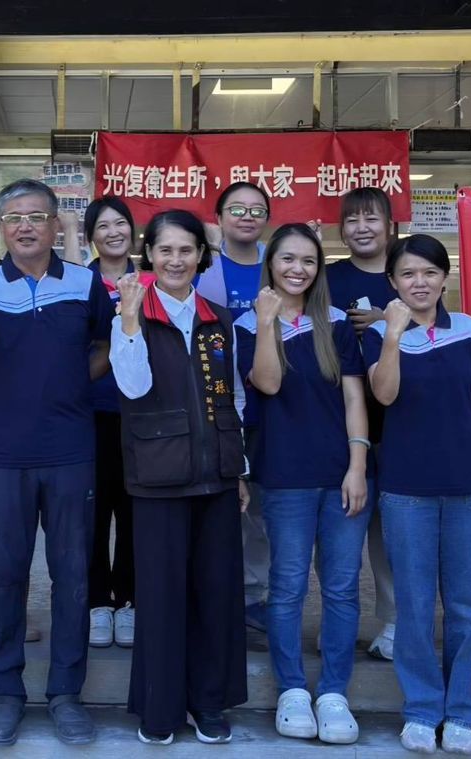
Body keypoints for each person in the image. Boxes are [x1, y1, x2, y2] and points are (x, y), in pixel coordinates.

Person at [0, 179, 115, 747]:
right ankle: (5, 693)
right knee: (8, 575)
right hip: (4, 455)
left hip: (71, 452)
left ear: (54, 224)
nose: (24, 226)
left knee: (72, 576)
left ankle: (66, 694)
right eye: (13, 217)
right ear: (0, 227)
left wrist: (72, 384)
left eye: (36, 216)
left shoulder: (84, 282)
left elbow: (107, 343)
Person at [361, 234, 471, 755]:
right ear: (392, 282)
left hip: (469, 487)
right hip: (406, 490)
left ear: (445, 278)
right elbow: (384, 394)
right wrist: (392, 334)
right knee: (414, 604)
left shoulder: (469, 329)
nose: (419, 282)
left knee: (466, 607)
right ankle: (422, 710)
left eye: (429, 272)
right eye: (408, 274)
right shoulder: (379, 333)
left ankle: (461, 711)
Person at [109, 210, 248, 745]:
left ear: (201, 256)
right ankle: (160, 707)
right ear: (149, 255)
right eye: (165, 250)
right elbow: (132, 386)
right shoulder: (133, 312)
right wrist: (128, 320)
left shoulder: (218, 318)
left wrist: (239, 468)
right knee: (162, 597)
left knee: (216, 594)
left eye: (186, 250)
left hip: (217, 475)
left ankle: (208, 703)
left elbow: (233, 397)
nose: (175, 260)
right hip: (158, 475)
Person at [236, 223, 369, 745]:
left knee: (341, 587)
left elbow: (354, 398)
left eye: (309, 261)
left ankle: (334, 691)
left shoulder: (335, 324)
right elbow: (267, 383)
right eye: (287, 259)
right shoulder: (247, 324)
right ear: (270, 264)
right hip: (284, 476)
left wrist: (357, 465)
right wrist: (267, 320)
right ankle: (292, 688)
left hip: (341, 475)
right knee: (288, 586)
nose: (298, 269)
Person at [325, 186, 401, 660]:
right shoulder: (327, 277)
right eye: (352, 220)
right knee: (343, 529)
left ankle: (394, 622)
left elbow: (438, 329)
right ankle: (339, 623)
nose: (362, 228)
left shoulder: (408, 271)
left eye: (371, 219)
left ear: (390, 225)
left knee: (392, 532)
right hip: (340, 419)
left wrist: (387, 323)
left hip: (402, 421)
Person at [196, 181, 274, 634]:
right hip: (214, 403)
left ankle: (252, 597)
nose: (247, 217)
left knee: (258, 512)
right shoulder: (203, 264)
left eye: (257, 210)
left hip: (271, 405)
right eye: (237, 209)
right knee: (217, 507)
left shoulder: (279, 262)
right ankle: (212, 598)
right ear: (220, 217)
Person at [83, 196, 138, 649]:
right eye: (103, 226)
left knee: (135, 511)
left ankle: (130, 600)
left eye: (120, 223)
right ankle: (98, 602)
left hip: (140, 416)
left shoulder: (151, 281)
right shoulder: (79, 283)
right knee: (94, 514)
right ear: (91, 237)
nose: (113, 232)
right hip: (90, 414)